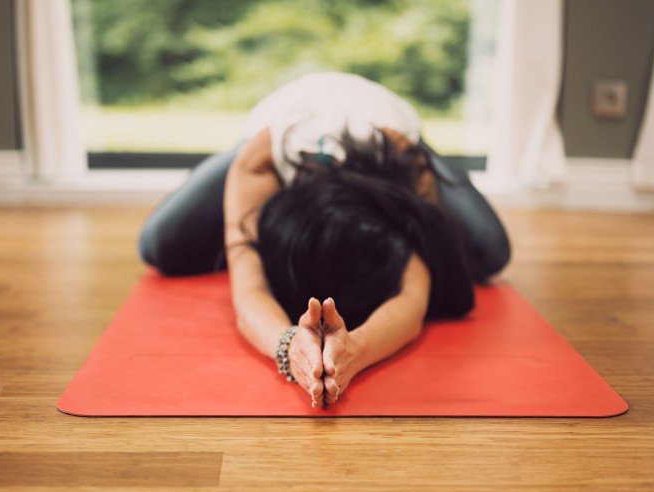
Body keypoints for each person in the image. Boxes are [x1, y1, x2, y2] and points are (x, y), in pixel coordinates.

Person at [138, 72, 510, 409]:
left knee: (490, 252)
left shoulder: (402, 165)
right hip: (279, 118)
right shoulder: (260, 162)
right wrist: (289, 347)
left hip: (389, 123)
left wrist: (353, 353)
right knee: (159, 245)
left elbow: (414, 295)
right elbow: (248, 291)